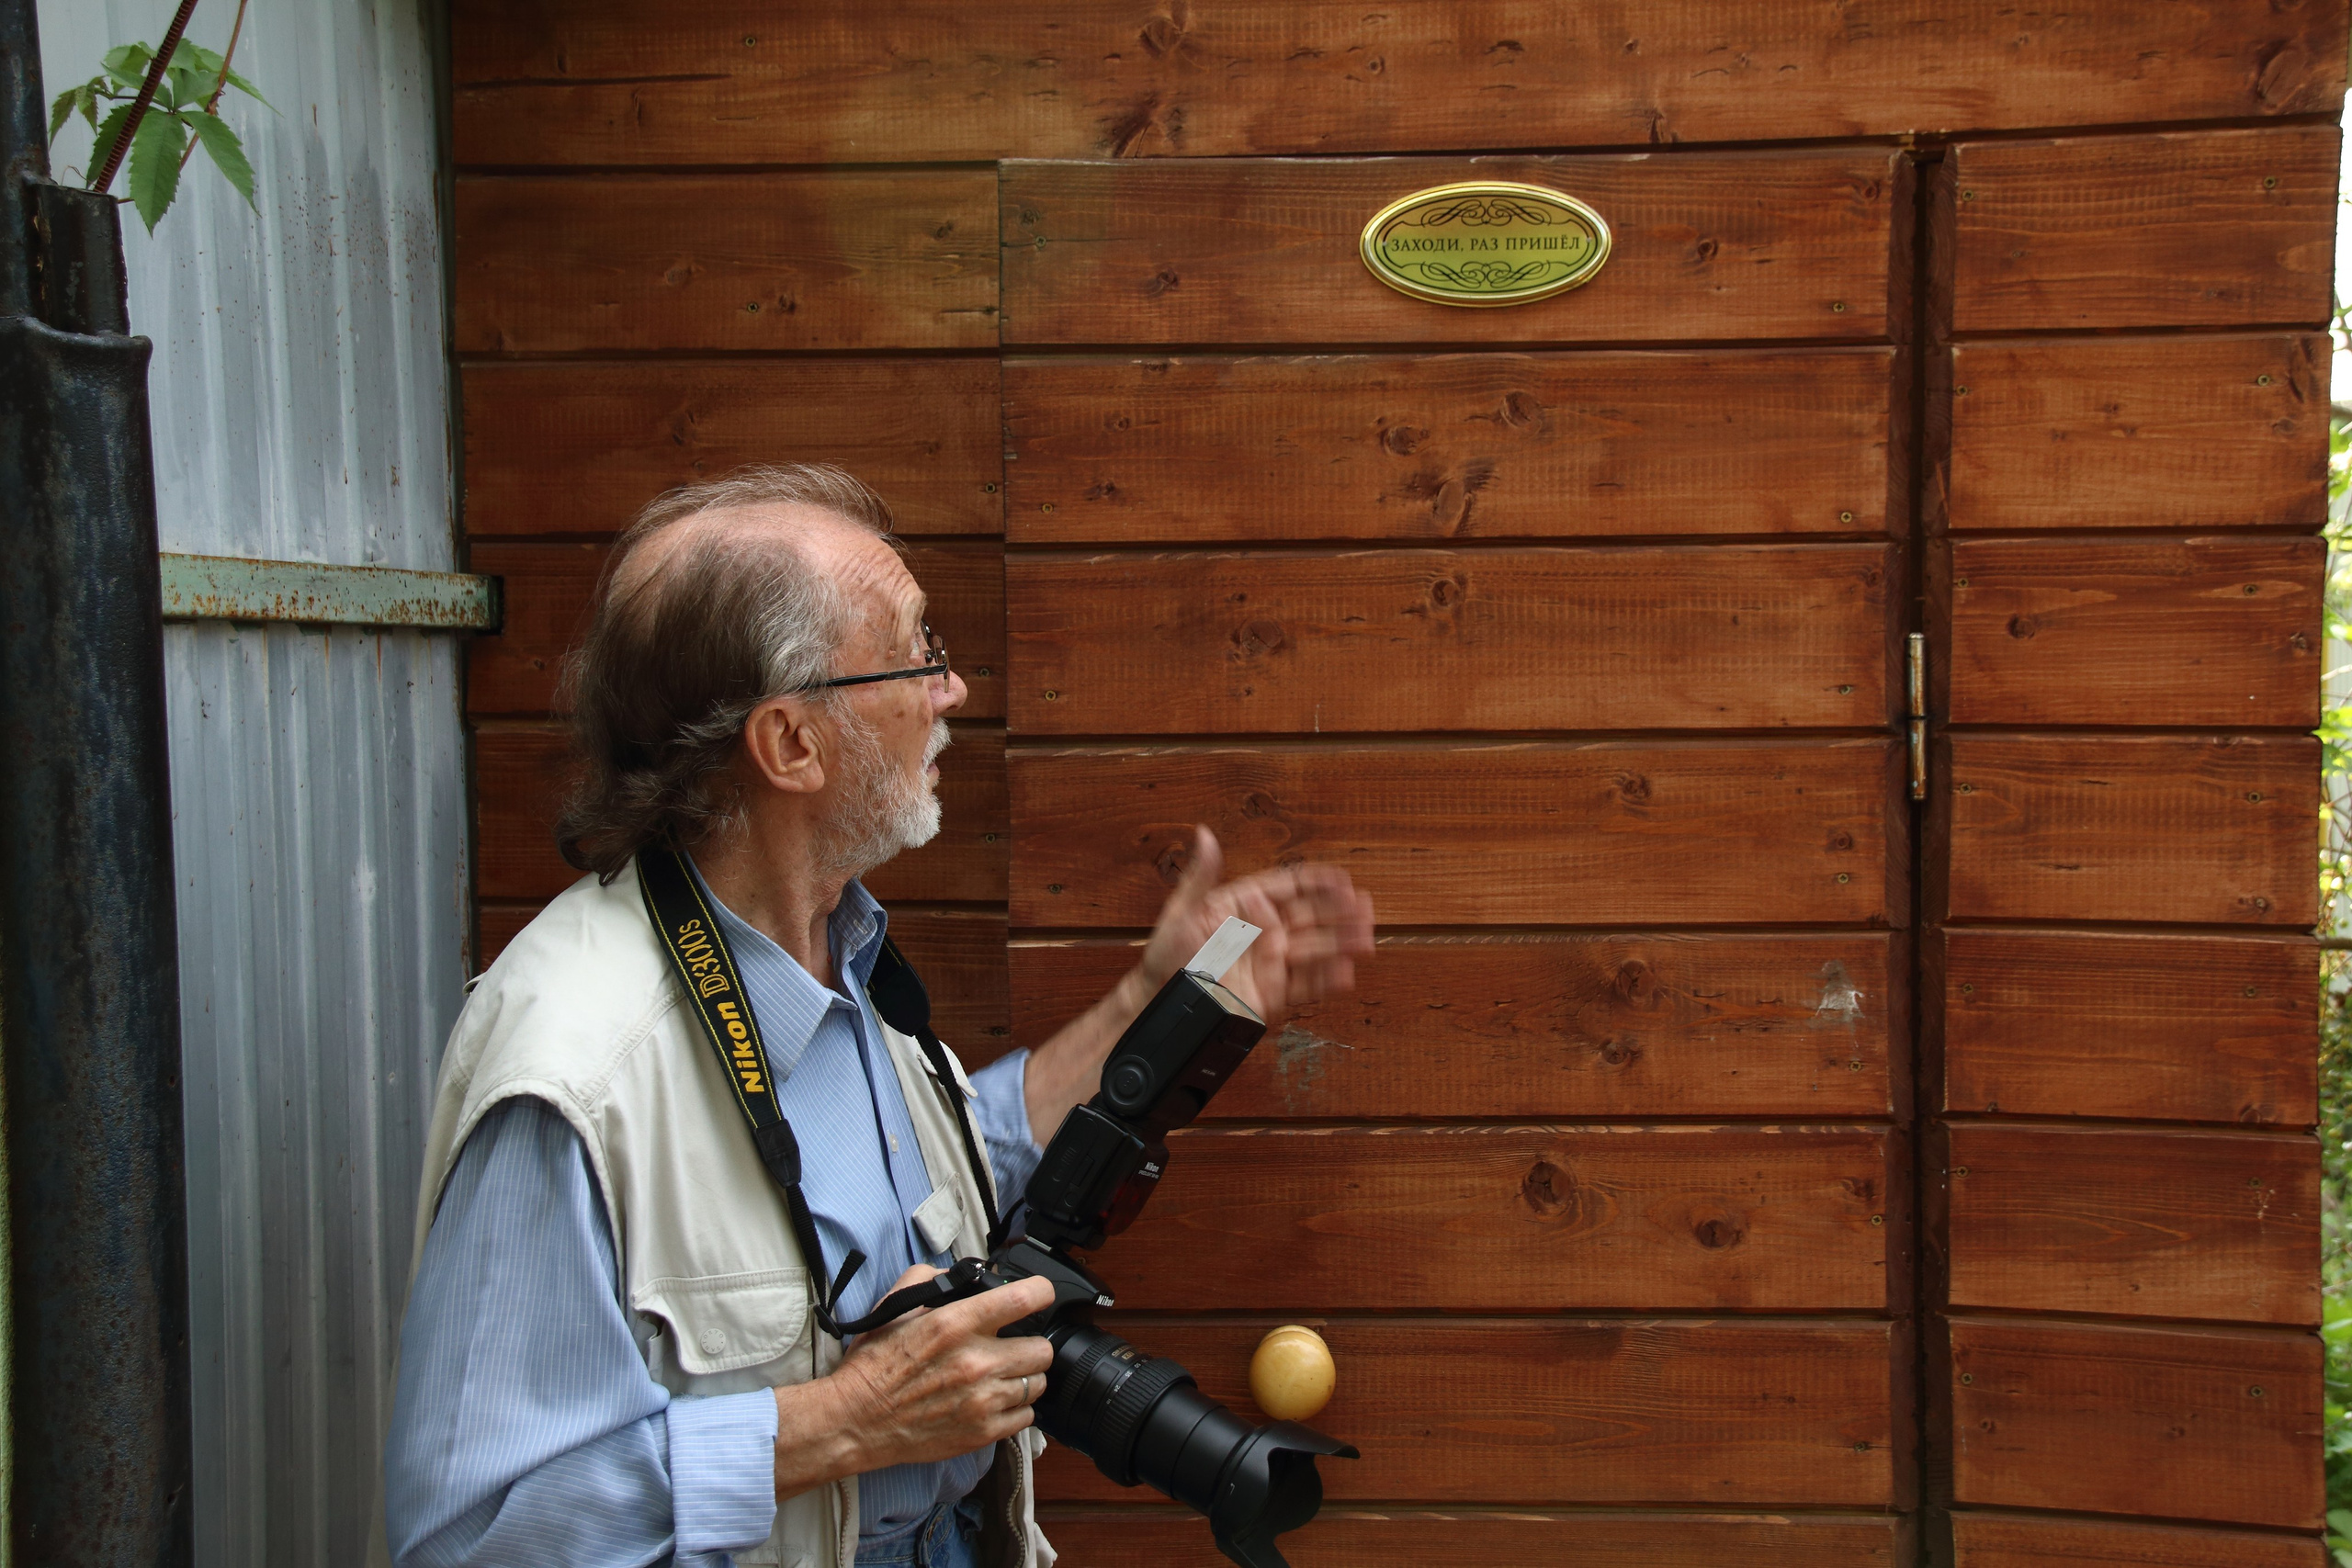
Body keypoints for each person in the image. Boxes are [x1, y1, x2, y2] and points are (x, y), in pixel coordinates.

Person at [380, 464, 1375, 1568]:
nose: (950, 691)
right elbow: (473, 1537)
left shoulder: (836, 949)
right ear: (791, 744)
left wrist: (1149, 1001)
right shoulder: (577, 1071)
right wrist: (842, 1423)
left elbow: (937, 1184)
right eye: (920, 654)